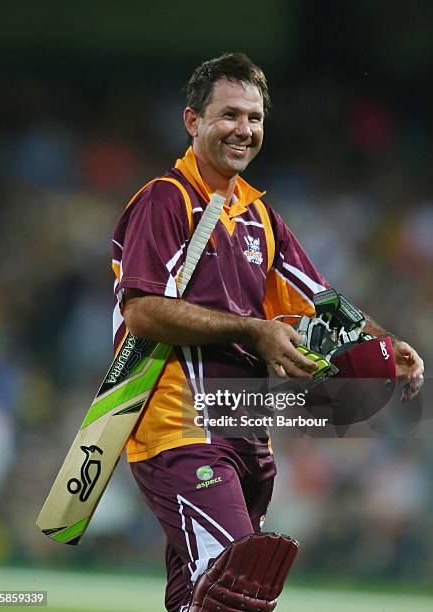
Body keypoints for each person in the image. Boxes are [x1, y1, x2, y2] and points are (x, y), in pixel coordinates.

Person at [111, 53, 424, 612]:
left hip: (247, 428)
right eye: (229, 114)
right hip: (180, 427)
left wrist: (383, 342)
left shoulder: (259, 214)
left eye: (254, 118)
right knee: (237, 592)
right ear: (192, 121)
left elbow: (321, 300)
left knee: (201, 601)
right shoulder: (165, 199)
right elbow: (141, 311)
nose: (244, 130)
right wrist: (253, 331)